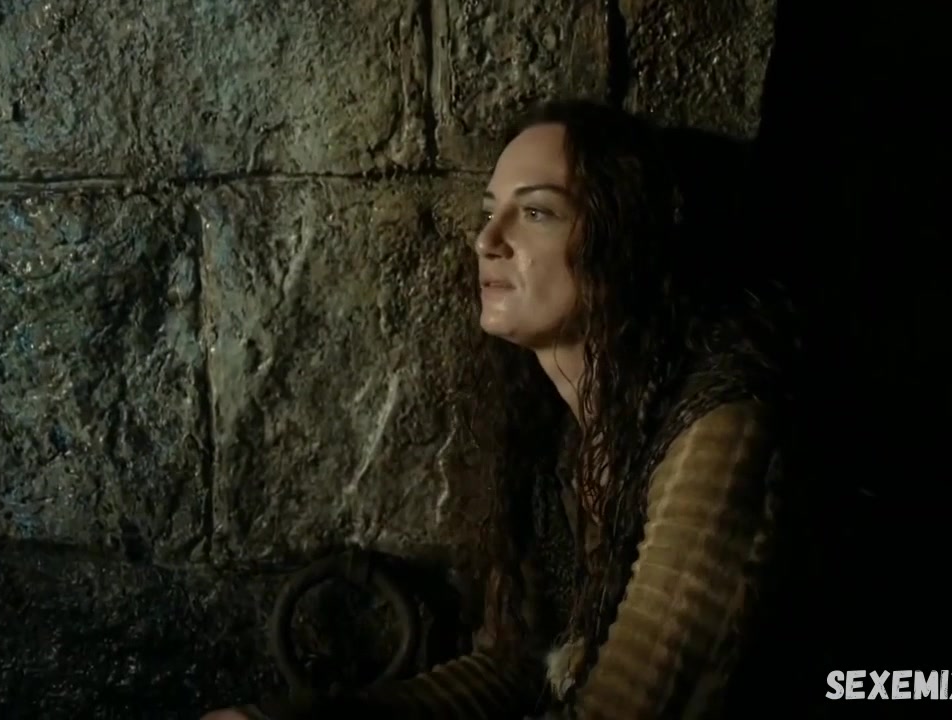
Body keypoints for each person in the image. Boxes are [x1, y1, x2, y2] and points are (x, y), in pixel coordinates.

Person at [204, 99, 799, 719]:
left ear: (626, 240)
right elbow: (514, 664)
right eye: (490, 213)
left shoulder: (722, 429)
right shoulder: (555, 436)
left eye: (536, 213)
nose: (487, 240)